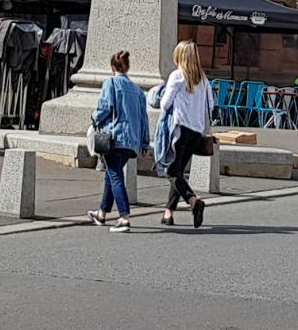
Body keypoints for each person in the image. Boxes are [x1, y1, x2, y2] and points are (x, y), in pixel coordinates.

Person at [87, 50, 149, 232]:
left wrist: (94, 119)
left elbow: (104, 108)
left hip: (114, 138)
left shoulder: (111, 83)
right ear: (127, 67)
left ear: (113, 67)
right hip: (132, 141)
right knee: (111, 175)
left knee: (115, 176)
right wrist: (145, 143)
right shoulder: (138, 91)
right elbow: (144, 119)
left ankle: (124, 217)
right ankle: (101, 213)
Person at [158, 40, 213, 228]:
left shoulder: (177, 76)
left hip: (180, 129)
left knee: (171, 171)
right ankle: (168, 213)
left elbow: (165, 104)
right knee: (178, 172)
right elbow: (211, 106)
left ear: (180, 56)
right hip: (196, 132)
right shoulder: (204, 79)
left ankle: (193, 201)